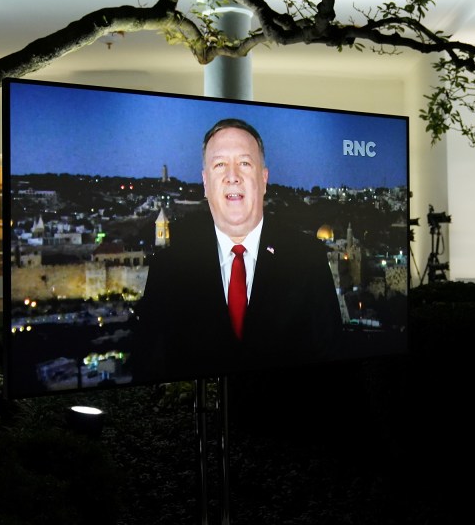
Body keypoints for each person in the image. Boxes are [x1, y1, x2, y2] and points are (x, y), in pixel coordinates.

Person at [132, 118, 343, 383]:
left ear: (263, 180)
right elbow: (149, 370)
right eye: (220, 165)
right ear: (206, 183)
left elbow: (332, 366)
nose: (233, 176)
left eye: (244, 163)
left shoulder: (307, 259)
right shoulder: (169, 268)